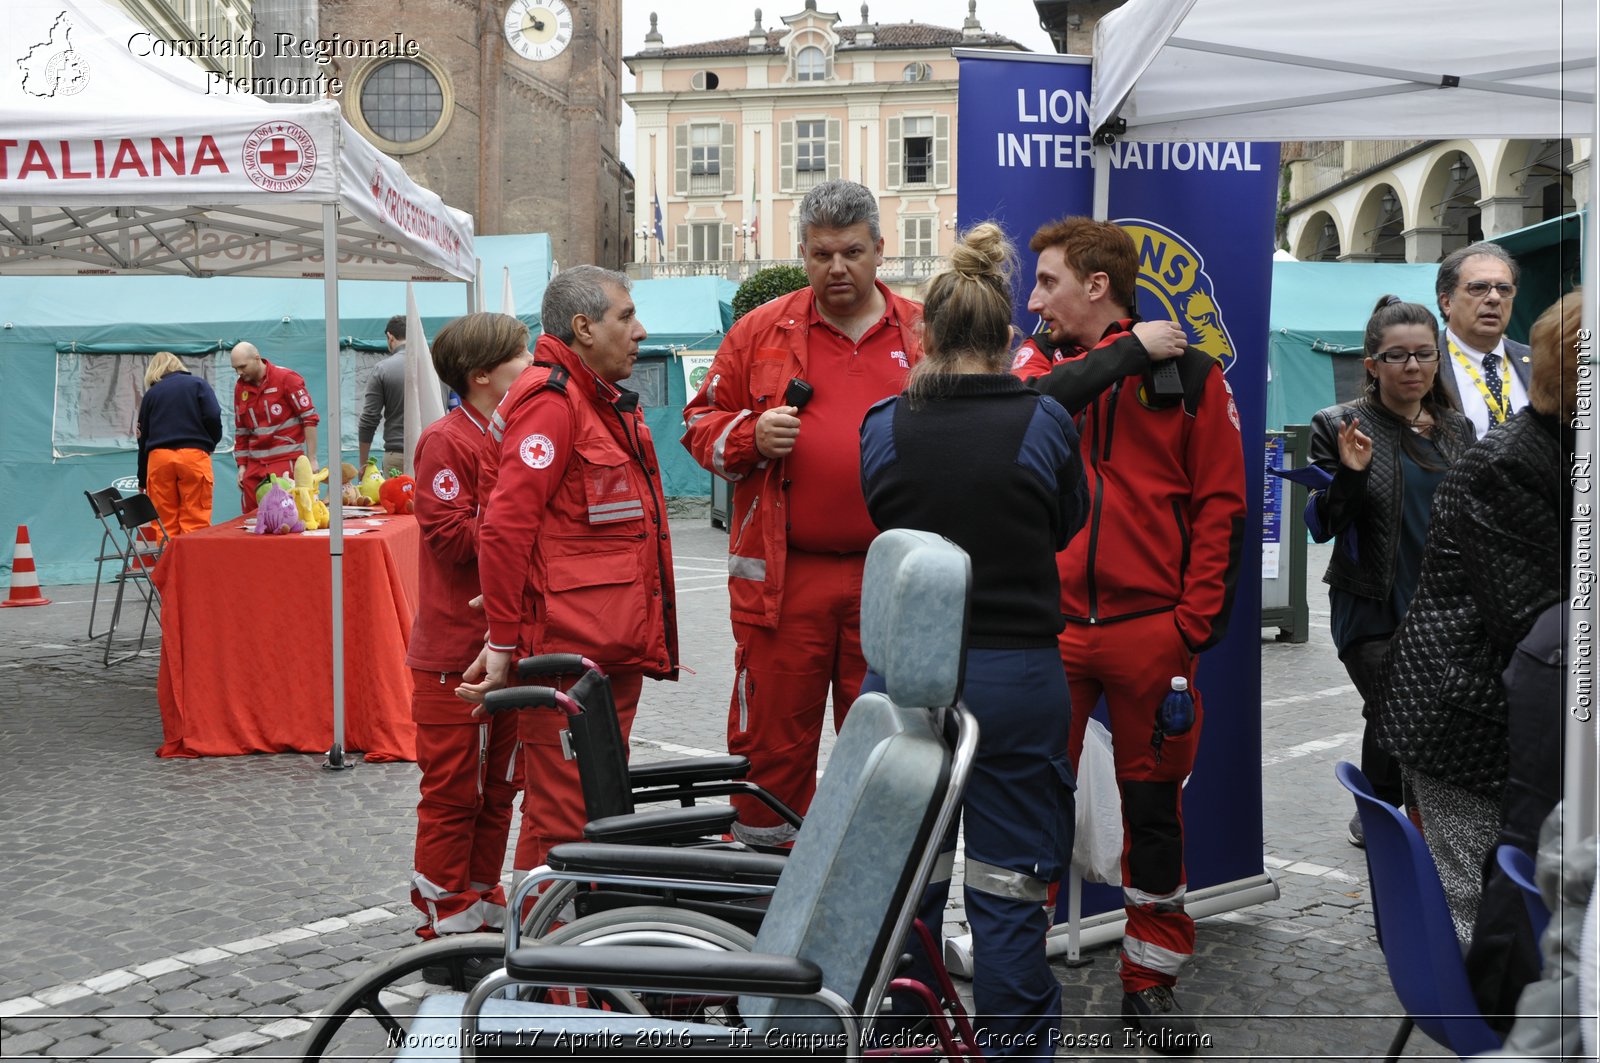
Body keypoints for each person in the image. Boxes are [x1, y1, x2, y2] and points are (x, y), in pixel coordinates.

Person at [1014, 216, 1246, 1050]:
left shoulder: (1193, 374)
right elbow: (1019, 417)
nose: (1034, 297)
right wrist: (1119, 356)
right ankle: (1019, 973)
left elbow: (1220, 502)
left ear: (1096, 286)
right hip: (1055, 629)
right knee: (1032, 807)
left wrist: (1191, 621)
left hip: (1152, 634)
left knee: (1154, 814)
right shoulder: (1037, 368)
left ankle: (1149, 981)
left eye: (1047, 282)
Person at [860, 222, 1086, 1059]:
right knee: (1010, 885)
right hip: (1015, 673)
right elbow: (1066, 524)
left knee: (906, 877)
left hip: (907, 676)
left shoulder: (884, 424)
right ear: (1007, 339)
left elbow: (884, 516)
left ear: (925, 336)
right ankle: (1014, 1048)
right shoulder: (1046, 420)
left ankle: (906, 1033)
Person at [680, 179, 923, 846]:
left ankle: (876, 909)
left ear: (880, 248)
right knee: (771, 750)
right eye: (820, 255)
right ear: (803, 254)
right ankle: (766, 905)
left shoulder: (925, 333)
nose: (836, 268)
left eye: (850, 252)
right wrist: (749, 436)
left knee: (890, 750)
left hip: (893, 583)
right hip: (787, 583)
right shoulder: (760, 330)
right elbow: (697, 422)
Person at [458, 266, 677, 882]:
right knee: (564, 819)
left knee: (585, 810)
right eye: (626, 317)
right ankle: (550, 973)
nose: (640, 332)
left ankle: (564, 964)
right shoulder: (553, 402)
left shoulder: (589, 399)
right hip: (570, 653)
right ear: (584, 328)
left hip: (598, 652)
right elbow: (504, 526)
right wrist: (503, 641)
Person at [1376, 288, 1574, 944]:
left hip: (1499, 714)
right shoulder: (1512, 465)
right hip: (1463, 724)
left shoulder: (1562, 449)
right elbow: (1535, 623)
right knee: (1482, 921)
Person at [1306, 296, 1476, 846]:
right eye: (1397, 356)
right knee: (1403, 706)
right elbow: (1324, 525)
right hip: (1372, 605)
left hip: (1445, 606)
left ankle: (1376, 809)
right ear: (1372, 364)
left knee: (1401, 713)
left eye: (1424, 355)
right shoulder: (1337, 425)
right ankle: (1393, 819)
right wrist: (1351, 474)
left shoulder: (1457, 429)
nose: (1412, 367)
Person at [404, 313, 532, 967]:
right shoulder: (443, 442)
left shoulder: (517, 434)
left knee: (502, 783)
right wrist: (518, 524)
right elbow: (451, 538)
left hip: (508, 643)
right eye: (521, 354)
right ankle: (440, 903)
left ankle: (480, 891)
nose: (532, 361)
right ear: (482, 375)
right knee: (454, 784)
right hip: (453, 648)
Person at [1434, 242, 1532, 437]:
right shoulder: (1422, 362)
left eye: (1504, 289)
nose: (1494, 298)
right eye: (1478, 288)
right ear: (1446, 302)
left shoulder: (1540, 362)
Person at [136, 351, 223, 536]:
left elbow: (142, 438)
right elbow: (213, 415)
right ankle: (192, 563)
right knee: (196, 518)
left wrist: (142, 477)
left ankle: (168, 562)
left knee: (164, 522)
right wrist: (210, 443)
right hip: (193, 455)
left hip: (159, 459)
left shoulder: (151, 394)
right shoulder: (198, 384)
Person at [230, 341, 319, 513]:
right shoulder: (240, 388)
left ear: (257, 358)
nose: (239, 372)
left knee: (287, 515)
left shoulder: (287, 378)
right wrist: (242, 466)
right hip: (254, 467)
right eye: (235, 369)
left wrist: (312, 459)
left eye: (242, 367)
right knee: (251, 520)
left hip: (285, 461)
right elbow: (241, 430)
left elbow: (309, 419)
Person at [359, 314, 408, 474]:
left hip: (398, 455)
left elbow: (369, 418)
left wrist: (363, 463)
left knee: (397, 498)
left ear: (390, 337)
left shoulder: (383, 369)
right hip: (434, 452)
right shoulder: (437, 365)